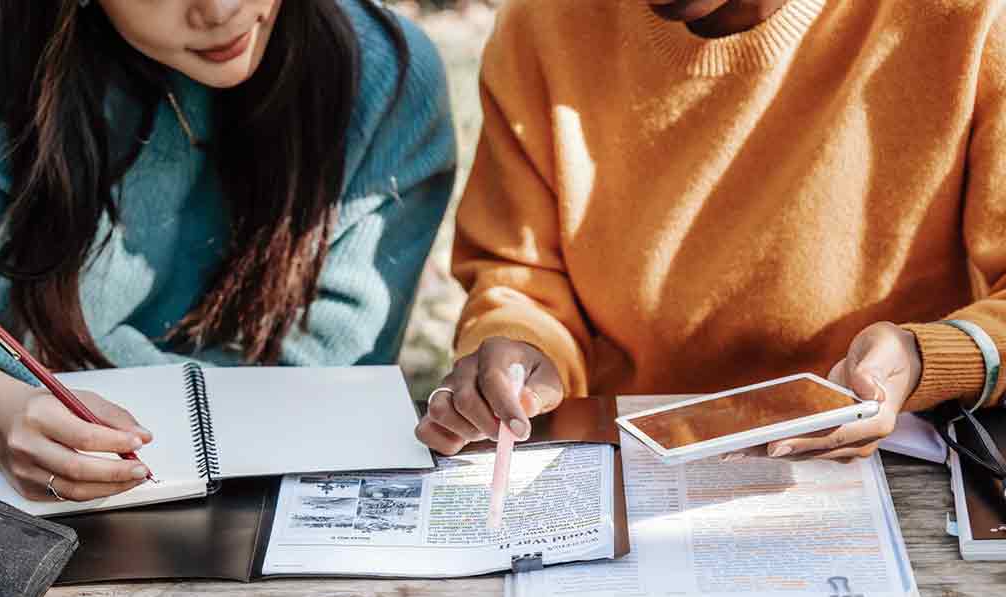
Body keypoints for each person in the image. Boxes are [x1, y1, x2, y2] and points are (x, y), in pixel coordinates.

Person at [0, 0, 455, 501]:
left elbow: (330, 378)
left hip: (275, 514)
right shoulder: (12, 56)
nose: (219, 11)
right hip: (25, 510)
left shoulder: (387, 77)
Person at [417, 0, 1006, 461]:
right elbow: (521, 275)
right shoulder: (543, 26)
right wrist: (523, 348)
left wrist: (928, 359)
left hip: (902, 466)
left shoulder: (968, 21)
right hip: (629, 462)